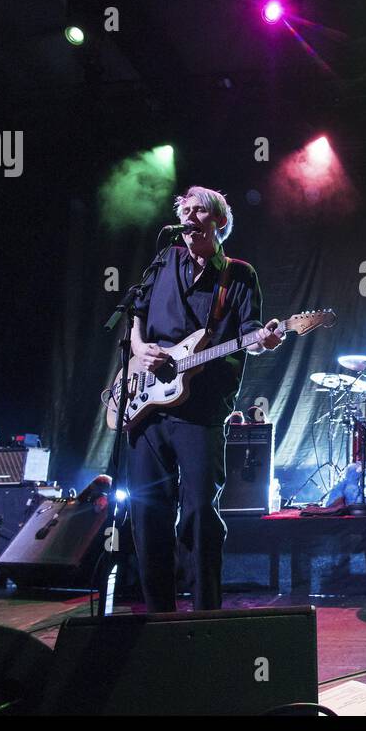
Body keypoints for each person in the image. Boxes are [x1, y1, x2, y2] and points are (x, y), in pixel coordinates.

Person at [128, 186, 282, 612]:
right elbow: (136, 315)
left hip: (202, 409)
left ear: (219, 222)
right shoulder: (162, 261)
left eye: (200, 211)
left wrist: (263, 340)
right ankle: (158, 613)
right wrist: (140, 350)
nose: (191, 216)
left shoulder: (239, 274)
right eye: (186, 210)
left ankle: (205, 612)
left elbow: (250, 335)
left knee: (198, 512)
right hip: (148, 409)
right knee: (147, 511)